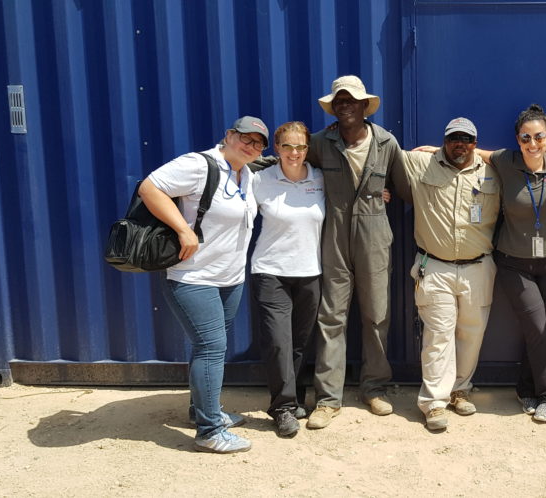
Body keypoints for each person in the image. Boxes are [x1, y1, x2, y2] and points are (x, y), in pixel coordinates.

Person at [138, 115, 269, 453]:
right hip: (193, 276)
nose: (251, 146)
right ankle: (210, 431)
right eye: (246, 138)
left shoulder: (247, 174)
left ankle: (201, 412)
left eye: (258, 143)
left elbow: (294, 154)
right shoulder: (200, 165)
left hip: (230, 278)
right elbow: (150, 188)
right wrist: (183, 229)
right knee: (211, 348)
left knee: (209, 348)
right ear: (229, 135)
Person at [303, 75, 407, 429]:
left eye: (352, 100)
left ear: (365, 106)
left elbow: (405, 186)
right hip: (333, 233)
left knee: (377, 315)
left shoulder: (386, 142)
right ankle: (328, 399)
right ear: (334, 107)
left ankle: (374, 388)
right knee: (331, 317)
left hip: (374, 235)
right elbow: (288, 164)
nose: (345, 105)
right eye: (339, 101)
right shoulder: (319, 143)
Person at [403, 118, 500, 431]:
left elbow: (530, 160)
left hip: (478, 267)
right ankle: (434, 403)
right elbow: (376, 154)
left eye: (467, 139)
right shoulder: (421, 163)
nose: (460, 144)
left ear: (476, 143)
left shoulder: (493, 171)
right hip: (436, 267)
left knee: (472, 333)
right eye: (453, 138)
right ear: (444, 141)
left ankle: (460, 389)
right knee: (438, 337)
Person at [480, 104, 546, 423]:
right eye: (526, 137)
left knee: (541, 331)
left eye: (539, 136)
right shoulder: (507, 160)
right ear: (518, 139)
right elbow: (477, 152)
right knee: (538, 328)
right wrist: (433, 148)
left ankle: (524, 388)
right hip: (514, 262)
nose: (533, 144)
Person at [249, 122, 324, 438]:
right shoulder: (260, 180)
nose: (295, 153)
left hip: (310, 271)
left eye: (301, 147)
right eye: (287, 146)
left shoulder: (320, 179)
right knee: (279, 343)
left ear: (308, 148)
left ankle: (295, 400)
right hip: (271, 271)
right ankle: (281, 408)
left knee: (299, 343)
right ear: (276, 148)